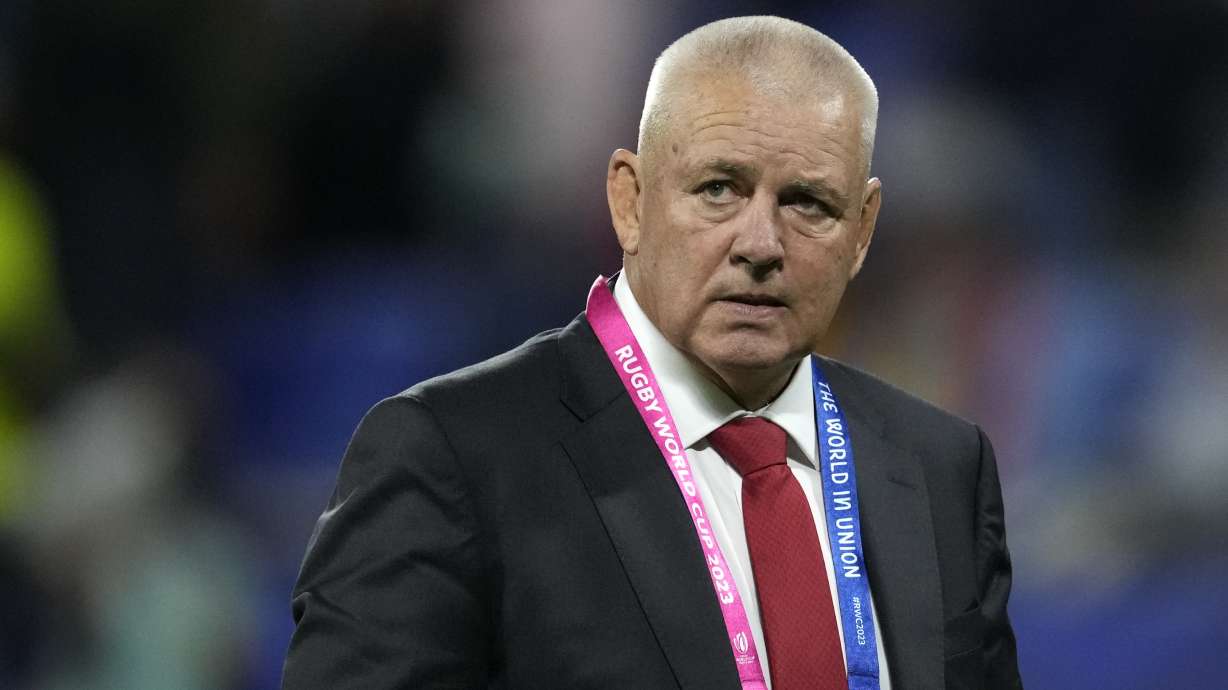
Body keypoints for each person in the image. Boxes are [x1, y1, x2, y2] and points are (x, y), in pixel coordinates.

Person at [282, 15, 1022, 690]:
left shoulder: (941, 470)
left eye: (808, 204)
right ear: (629, 202)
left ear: (861, 232)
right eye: (719, 189)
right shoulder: (452, 460)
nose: (761, 246)